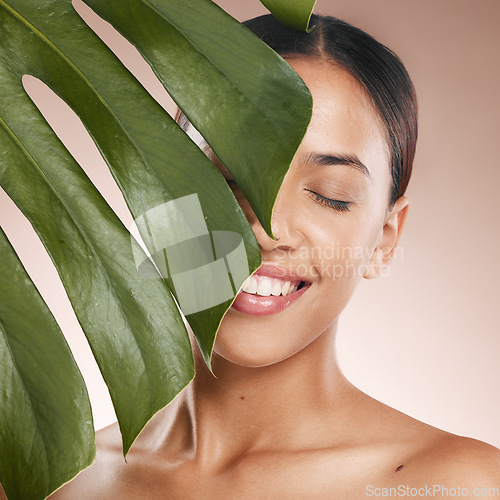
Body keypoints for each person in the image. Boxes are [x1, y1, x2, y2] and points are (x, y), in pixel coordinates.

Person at [49, 13, 500, 498]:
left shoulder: (453, 485)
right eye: (225, 177)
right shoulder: (55, 482)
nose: (266, 229)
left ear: (386, 238)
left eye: (329, 194)